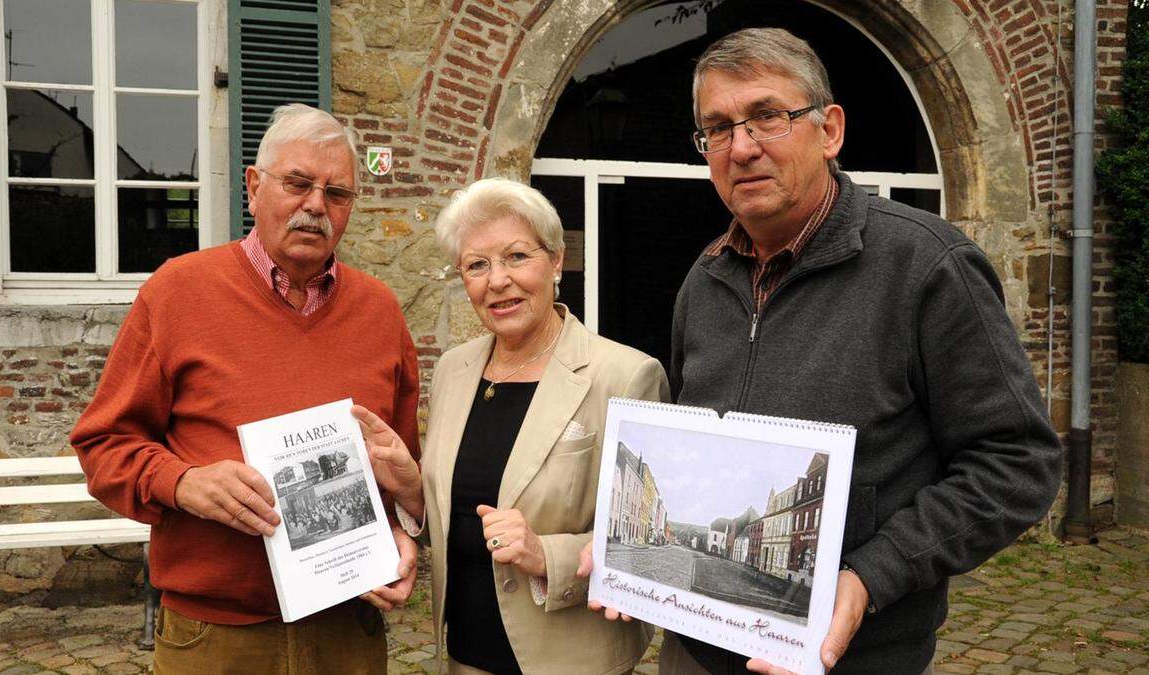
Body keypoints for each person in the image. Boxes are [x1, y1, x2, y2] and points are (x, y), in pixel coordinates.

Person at [656, 28, 1062, 674]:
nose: (742, 147)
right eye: (718, 128)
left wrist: (871, 574)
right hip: (695, 654)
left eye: (767, 116)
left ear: (831, 130)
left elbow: (1019, 462)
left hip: (852, 658)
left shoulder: (927, 267)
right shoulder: (702, 282)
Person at [71, 103, 421, 674]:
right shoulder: (178, 293)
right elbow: (102, 445)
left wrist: (403, 536)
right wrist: (183, 482)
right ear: (255, 188)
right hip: (215, 637)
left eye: (337, 194)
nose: (316, 206)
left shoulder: (380, 311)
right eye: (298, 183)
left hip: (347, 633)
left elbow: (403, 467)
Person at [352, 177, 670, 674]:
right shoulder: (457, 370)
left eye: (517, 256)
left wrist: (548, 554)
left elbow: (651, 543)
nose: (497, 280)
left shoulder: (626, 376)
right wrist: (413, 488)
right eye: (477, 265)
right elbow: (456, 514)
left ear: (557, 261)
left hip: (568, 660)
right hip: (463, 655)